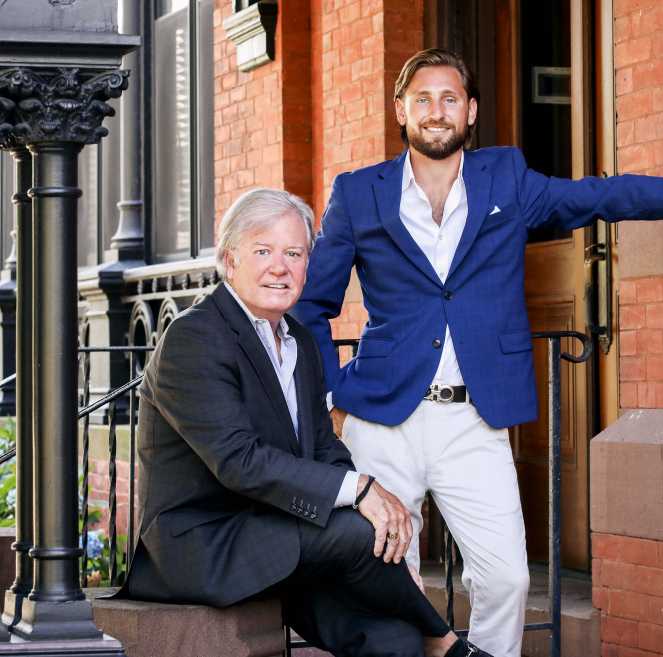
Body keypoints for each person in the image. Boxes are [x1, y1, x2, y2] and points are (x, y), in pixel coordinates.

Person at [292, 48, 663, 657]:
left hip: (473, 419)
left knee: (507, 579)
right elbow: (310, 306)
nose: (436, 111)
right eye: (422, 99)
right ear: (400, 110)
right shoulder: (358, 192)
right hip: (381, 420)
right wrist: (333, 398)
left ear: (471, 112)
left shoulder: (506, 179)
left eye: (450, 99)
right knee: (390, 582)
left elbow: (598, 197)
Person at [119, 188, 489, 657]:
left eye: (293, 254)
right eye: (263, 251)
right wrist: (361, 493)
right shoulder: (193, 337)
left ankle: (427, 635)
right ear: (230, 260)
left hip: (281, 530)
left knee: (394, 639)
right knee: (361, 533)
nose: (280, 267)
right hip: (206, 545)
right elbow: (239, 461)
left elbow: (324, 447)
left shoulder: (300, 341)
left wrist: (368, 506)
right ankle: (447, 642)